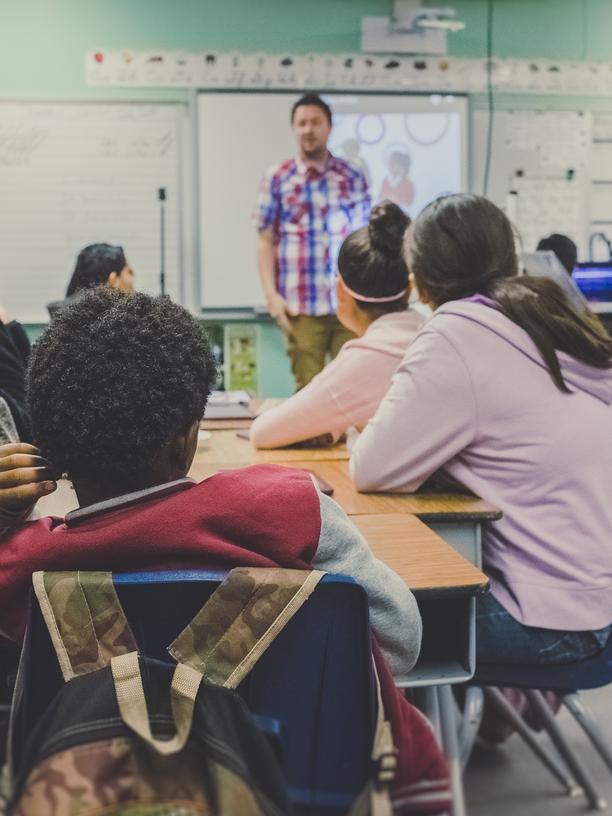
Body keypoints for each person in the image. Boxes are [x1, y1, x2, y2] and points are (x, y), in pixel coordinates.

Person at [0, 288, 449, 813]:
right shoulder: (290, 512)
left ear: (50, 451)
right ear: (186, 439)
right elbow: (400, 642)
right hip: (303, 784)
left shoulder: (23, 566)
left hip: (104, 788)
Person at [350, 194, 612, 668]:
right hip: (595, 604)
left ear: (419, 280)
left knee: (345, 627)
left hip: (552, 622)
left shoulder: (456, 333)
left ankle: (416, 743)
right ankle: (493, 722)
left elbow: (371, 468)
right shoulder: (547, 314)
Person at [250, 201, 424, 449]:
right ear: (410, 286)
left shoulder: (365, 357)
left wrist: (340, 427)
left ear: (340, 290)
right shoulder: (429, 331)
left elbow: (262, 433)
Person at [255, 93, 371, 390]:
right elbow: (265, 239)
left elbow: (366, 238)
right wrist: (272, 297)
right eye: (302, 123)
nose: (309, 129)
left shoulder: (352, 176)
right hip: (300, 306)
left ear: (329, 127)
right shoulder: (278, 178)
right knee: (308, 392)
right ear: (293, 129)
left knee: (354, 388)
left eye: (316, 122)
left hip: (350, 302)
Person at [47, 242, 134, 317]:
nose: (133, 278)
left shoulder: (59, 320)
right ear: (114, 280)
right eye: (129, 272)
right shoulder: (114, 328)